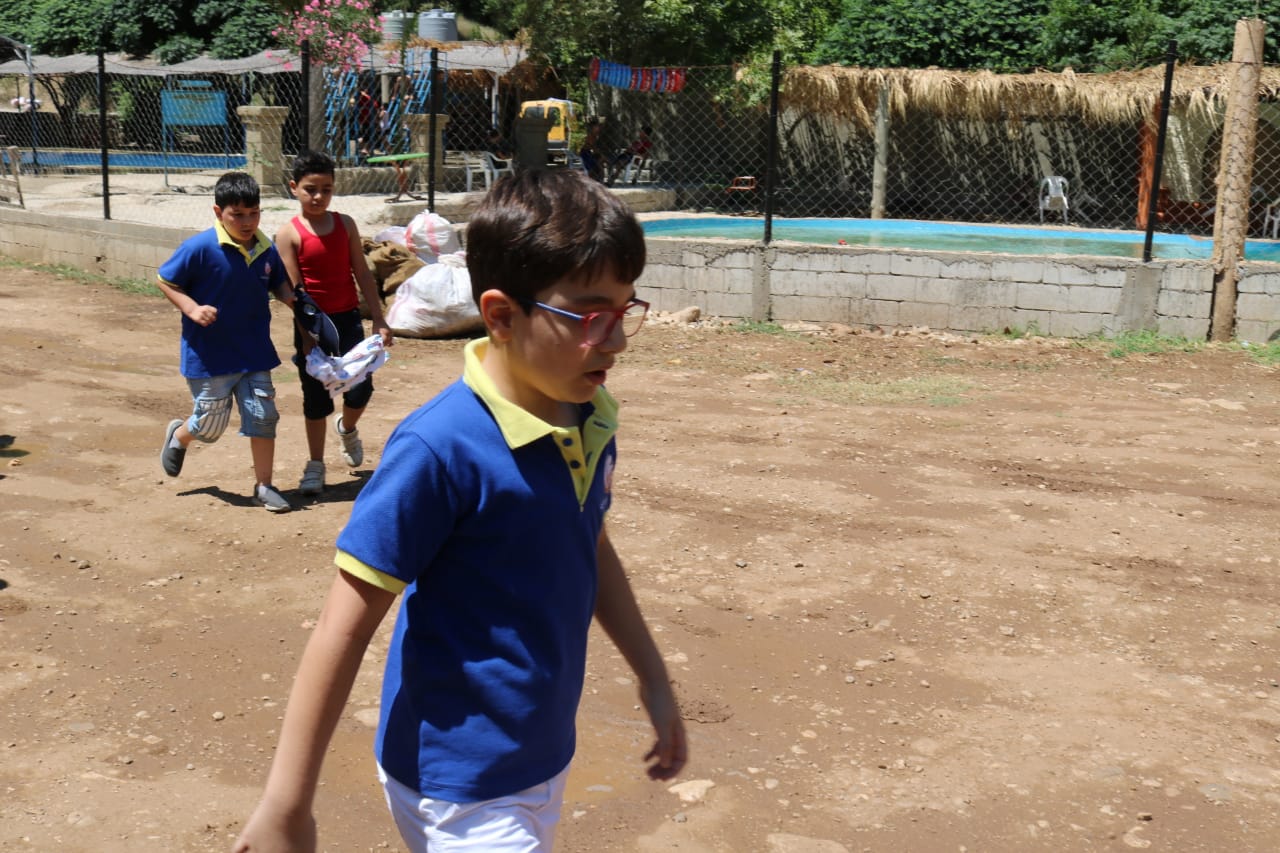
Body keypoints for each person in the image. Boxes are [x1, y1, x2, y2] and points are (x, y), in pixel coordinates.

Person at [232, 168, 687, 852]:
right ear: (501, 315)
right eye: (593, 317)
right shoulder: (439, 448)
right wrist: (285, 804)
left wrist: (652, 673)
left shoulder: (587, 414)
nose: (617, 340)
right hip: (456, 784)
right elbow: (341, 628)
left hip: (539, 756)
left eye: (625, 312)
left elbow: (586, 539)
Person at [156, 171, 295, 513]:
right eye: (237, 214)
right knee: (209, 426)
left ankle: (264, 486)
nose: (247, 222)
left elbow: (279, 283)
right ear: (218, 212)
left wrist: (294, 301)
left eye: (254, 213)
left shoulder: (265, 248)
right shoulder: (200, 248)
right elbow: (166, 281)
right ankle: (180, 436)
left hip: (254, 352)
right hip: (211, 356)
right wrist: (192, 308)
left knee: (263, 416)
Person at [277, 150, 394, 497]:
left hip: (348, 321)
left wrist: (379, 318)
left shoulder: (346, 225)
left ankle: (347, 428)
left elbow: (362, 273)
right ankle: (315, 465)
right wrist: (307, 338)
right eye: (310, 189)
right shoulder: (289, 234)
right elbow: (296, 292)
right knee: (316, 398)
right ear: (294, 188)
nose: (318, 196)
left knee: (360, 388)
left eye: (326, 189)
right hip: (313, 327)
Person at [578, 115, 605, 182]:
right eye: (596, 127)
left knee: (600, 163)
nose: (598, 129)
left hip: (589, 152)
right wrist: (599, 153)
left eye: (598, 127)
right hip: (585, 153)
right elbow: (592, 146)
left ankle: (598, 179)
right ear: (592, 128)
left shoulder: (596, 136)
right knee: (594, 166)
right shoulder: (590, 136)